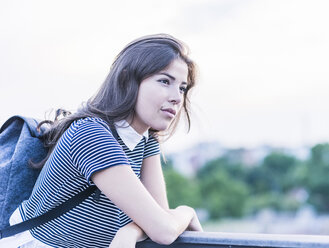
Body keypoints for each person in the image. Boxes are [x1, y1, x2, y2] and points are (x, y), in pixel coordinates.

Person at [1, 34, 203, 248]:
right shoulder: (92, 135)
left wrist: (131, 230)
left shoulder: (146, 141)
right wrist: (186, 212)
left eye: (182, 88)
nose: (177, 98)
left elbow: (159, 218)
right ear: (127, 80)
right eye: (164, 81)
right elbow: (163, 229)